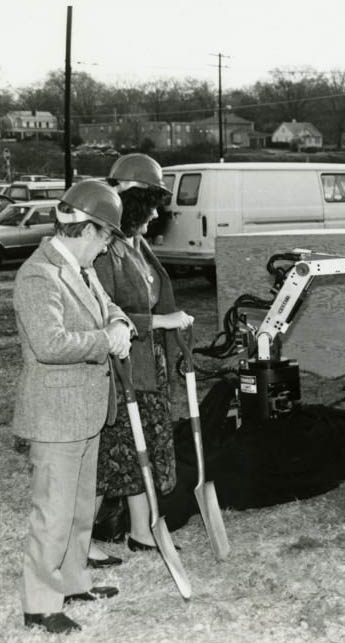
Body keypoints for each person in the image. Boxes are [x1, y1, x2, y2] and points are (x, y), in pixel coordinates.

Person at [13, 180, 132, 634]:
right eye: (104, 240)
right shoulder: (38, 275)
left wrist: (119, 324)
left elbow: (110, 309)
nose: (104, 251)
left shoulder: (82, 270)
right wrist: (107, 340)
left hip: (85, 410)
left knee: (81, 507)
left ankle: (75, 579)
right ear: (85, 231)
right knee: (54, 512)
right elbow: (49, 343)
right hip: (55, 416)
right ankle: (40, 604)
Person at [89, 154, 194, 565]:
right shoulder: (104, 248)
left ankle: (142, 530)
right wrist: (160, 321)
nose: (155, 216)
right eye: (150, 206)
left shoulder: (137, 242)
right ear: (132, 204)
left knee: (142, 451)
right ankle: (75, 542)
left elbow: (154, 292)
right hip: (120, 368)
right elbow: (100, 311)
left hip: (149, 364)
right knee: (112, 458)